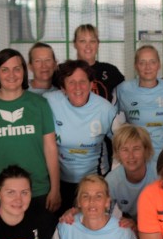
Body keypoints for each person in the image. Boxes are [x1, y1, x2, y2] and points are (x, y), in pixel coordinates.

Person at [0, 48, 60, 214]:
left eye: (16, 69)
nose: (11, 75)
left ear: (24, 72)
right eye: (5, 69)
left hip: (37, 190)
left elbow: (50, 148)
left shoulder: (40, 105)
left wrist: (55, 188)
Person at [43, 60, 118, 215]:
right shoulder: (50, 101)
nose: (77, 87)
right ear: (63, 87)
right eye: (71, 82)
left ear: (91, 84)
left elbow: (123, 143)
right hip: (60, 182)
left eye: (82, 82)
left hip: (94, 181)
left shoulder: (105, 109)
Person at [115, 45, 163, 156]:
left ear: (159, 65)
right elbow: (109, 117)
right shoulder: (123, 89)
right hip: (135, 157)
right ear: (135, 66)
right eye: (142, 63)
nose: (148, 67)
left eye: (152, 62)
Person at [72, 24, 125, 102]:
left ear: (98, 44)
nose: (88, 46)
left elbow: (126, 97)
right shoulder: (63, 71)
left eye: (92, 41)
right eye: (82, 41)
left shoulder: (111, 70)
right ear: (75, 44)